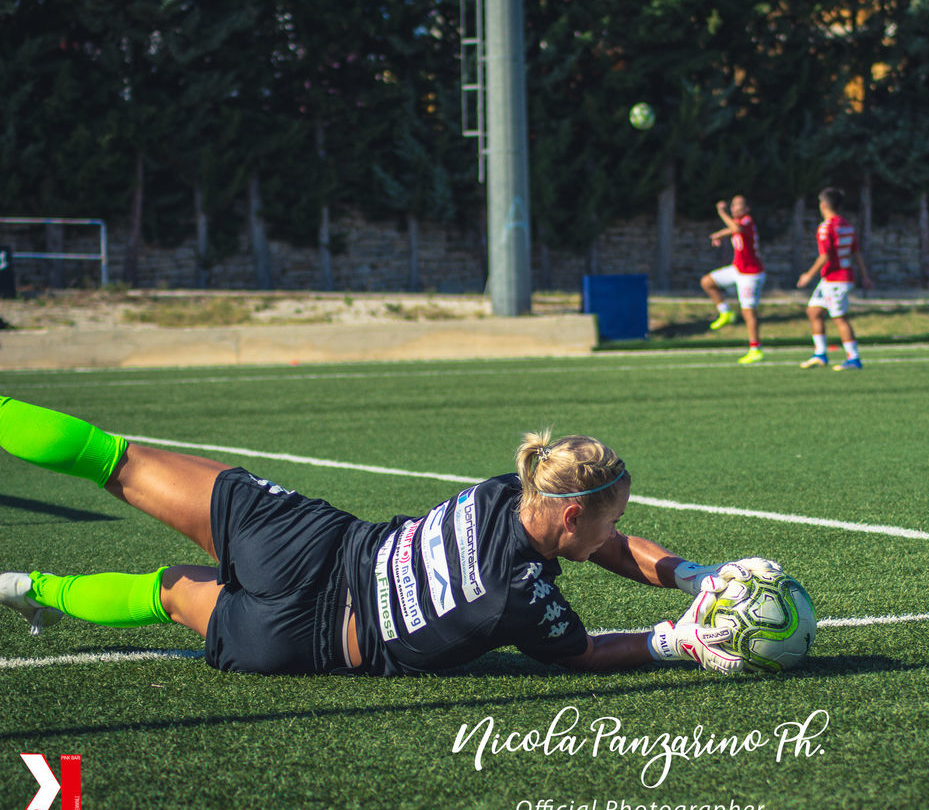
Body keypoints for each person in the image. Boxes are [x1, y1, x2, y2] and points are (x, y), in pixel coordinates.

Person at [0, 397, 778, 675]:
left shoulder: (507, 488)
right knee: (166, 593)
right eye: (611, 518)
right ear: (571, 516)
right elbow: (582, 653)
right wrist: (674, 640)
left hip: (307, 542)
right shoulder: (521, 594)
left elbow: (601, 541)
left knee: (117, 458)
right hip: (309, 636)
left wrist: (689, 574)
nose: (619, 535)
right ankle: (32, 590)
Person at [796, 186, 873, 371]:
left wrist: (808, 275)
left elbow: (825, 256)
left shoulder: (826, 228)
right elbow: (856, 253)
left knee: (839, 318)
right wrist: (864, 276)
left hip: (835, 280)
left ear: (823, 205)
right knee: (813, 311)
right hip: (835, 279)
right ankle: (820, 354)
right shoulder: (846, 225)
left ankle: (854, 358)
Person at [699, 195, 767, 364]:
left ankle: (755, 349)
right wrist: (720, 235)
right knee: (707, 282)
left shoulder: (747, 221)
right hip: (737, 269)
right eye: (733, 206)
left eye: (739, 206)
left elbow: (736, 228)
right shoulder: (739, 223)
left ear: (747, 209)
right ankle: (725, 312)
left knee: (748, 312)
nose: (735, 208)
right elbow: (732, 229)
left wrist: (721, 212)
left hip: (751, 274)